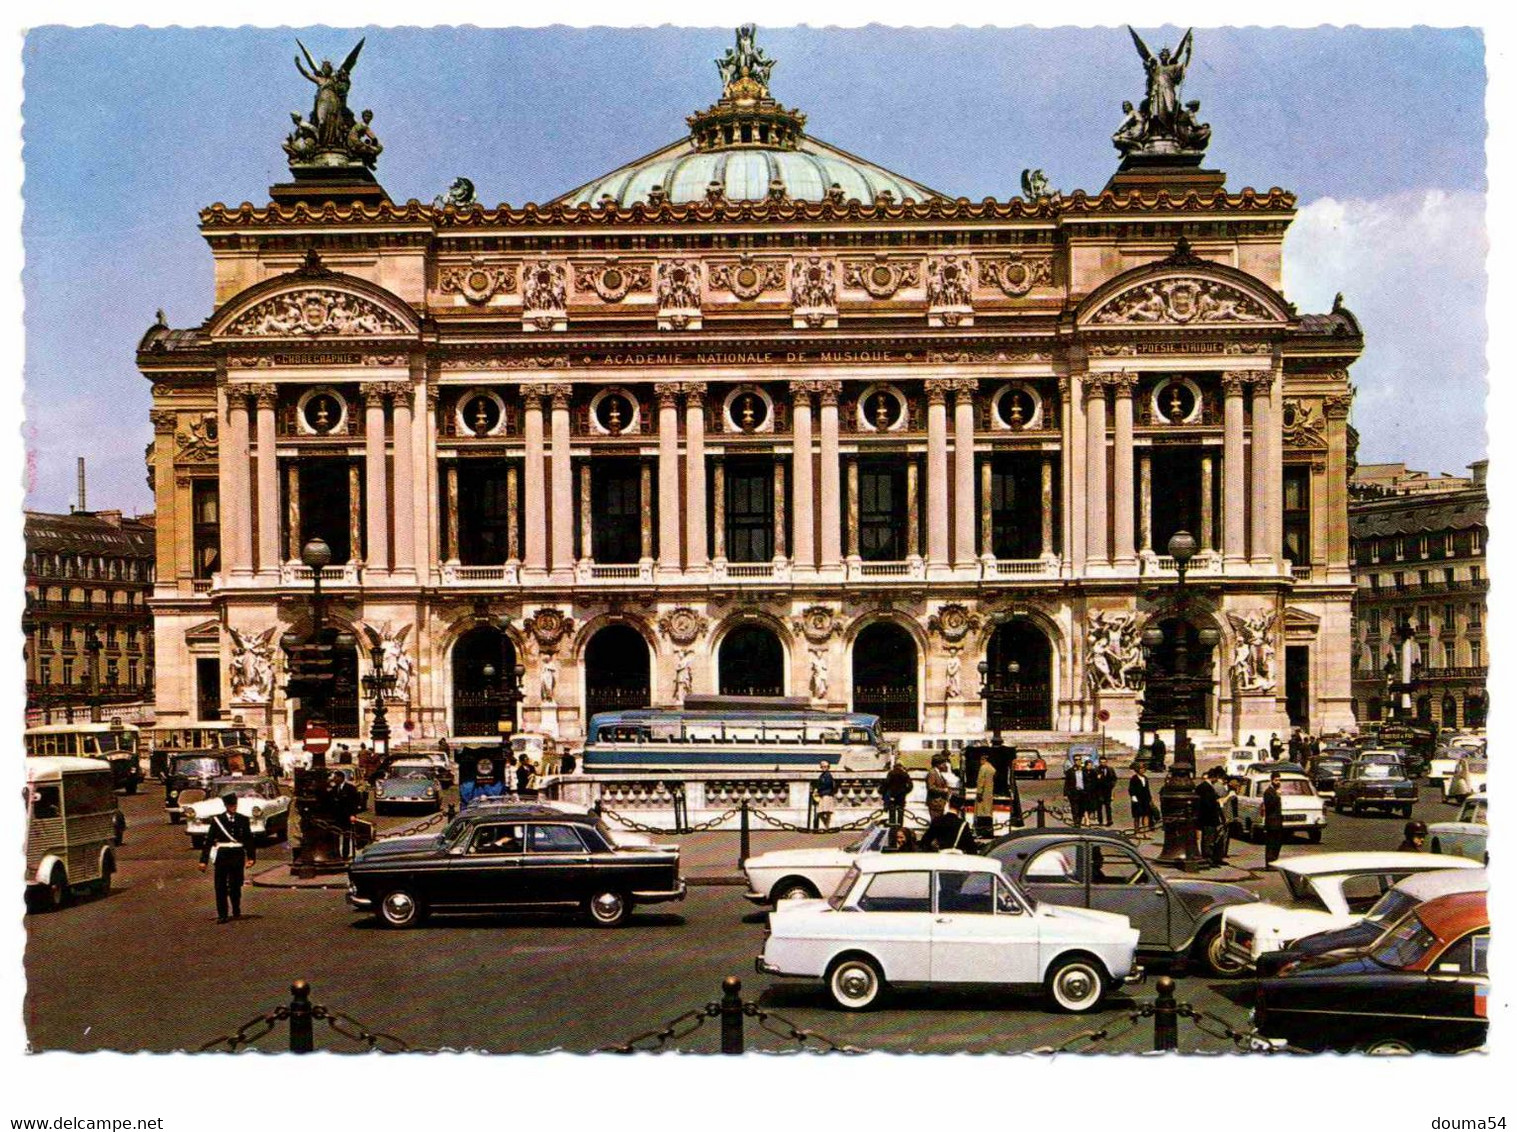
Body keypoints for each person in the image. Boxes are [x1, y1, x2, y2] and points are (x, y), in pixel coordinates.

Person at [200, 792, 256, 923]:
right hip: (223, 854)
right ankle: (222, 914)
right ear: (226, 806)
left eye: (235, 805)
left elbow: (248, 839)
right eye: (231, 805)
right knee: (220, 885)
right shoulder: (217, 820)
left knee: (235, 884)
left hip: (237, 854)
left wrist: (251, 857)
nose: (233, 808)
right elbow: (209, 841)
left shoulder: (243, 819)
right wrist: (203, 861)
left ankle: (236, 908)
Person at [1195, 769, 1226, 867]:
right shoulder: (1207, 788)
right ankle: (1208, 859)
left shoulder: (1203, 787)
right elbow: (1209, 805)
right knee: (1209, 839)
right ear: (1214, 777)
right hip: (1209, 818)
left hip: (1206, 818)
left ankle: (1210, 858)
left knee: (1209, 839)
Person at [1262, 771, 1285, 868]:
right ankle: (1270, 863)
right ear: (1271, 780)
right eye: (1276, 780)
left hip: (1277, 822)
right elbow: (1269, 806)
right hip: (1271, 822)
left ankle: (1275, 861)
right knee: (1271, 844)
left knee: (1277, 843)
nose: (1278, 782)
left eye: (1279, 780)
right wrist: (1277, 796)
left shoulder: (1275, 791)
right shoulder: (1268, 792)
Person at [881, 759, 912, 827]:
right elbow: (910, 786)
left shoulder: (891, 773)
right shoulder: (905, 774)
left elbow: (886, 783)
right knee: (900, 813)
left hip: (892, 795)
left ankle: (893, 827)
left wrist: (884, 792)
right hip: (901, 796)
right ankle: (900, 827)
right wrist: (905, 791)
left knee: (892, 812)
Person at [974, 755, 996, 839]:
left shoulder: (983, 768)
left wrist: (979, 792)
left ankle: (983, 832)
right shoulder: (991, 768)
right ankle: (989, 831)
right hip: (989, 792)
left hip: (984, 794)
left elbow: (981, 781)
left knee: (982, 813)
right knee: (988, 813)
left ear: (984, 759)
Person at [1063, 757, 1089, 827]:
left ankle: (1079, 821)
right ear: (1074, 761)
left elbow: (1088, 781)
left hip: (1083, 793)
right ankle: (1076, 822)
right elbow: (1067, 784)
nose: (1077, 761)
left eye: (1079, 759)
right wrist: (1065, 794)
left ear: (1081, 760)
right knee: (1075, 809)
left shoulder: (1085, 770)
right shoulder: (1070, 771)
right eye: (1076, 760)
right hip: (1074, 793)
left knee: (1082, 809)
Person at [1128, 765, 1153, 836]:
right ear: (1137, 770)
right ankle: (1136, 831)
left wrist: (1150, 799)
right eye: (1141, 769)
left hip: (1145, 799)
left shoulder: (1145, 778)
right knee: (1137, 816)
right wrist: (1133, 797)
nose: (1143, 770)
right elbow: (1131, 789)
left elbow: (1147, 789)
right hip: (1137, 799)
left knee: (1146, 815)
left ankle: (1145, 832)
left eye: (1144, 769)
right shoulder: (1134, 778)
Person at [813, 760, 838, 829]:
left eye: (825, 766)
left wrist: (818, 789)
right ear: (821, 767)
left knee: (826, 812)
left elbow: (827, 784)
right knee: (822, 812)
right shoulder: (822, 775)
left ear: (828, 767)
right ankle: (827, 826)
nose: (824, 768)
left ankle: (827, 826)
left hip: (827, 794)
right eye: (823, 766)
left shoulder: (828, 775)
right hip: (823, 794)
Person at [1093, 756, 1117, 826]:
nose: (1103, 763)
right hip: (1099, 791)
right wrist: (1097, 778)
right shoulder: (1096, 770)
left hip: (1108, 791)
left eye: (1104, 762)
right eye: (1101, 762)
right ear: (1099, 762)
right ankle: (1100, 821)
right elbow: (1093, 781)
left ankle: (1109, 820)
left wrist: (1112, 785)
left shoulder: (1110, 769)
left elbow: (1114, 778)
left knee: (1108, 807)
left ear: (1106, 762)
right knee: (1099, 807)